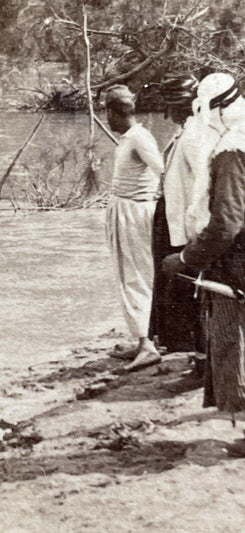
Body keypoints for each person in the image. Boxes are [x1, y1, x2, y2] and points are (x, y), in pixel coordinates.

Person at [162, 73, 245, 454]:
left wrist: (185, 257)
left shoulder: (231, 149)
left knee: (235, 346)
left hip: (237, 266)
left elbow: (226, 222)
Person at [104, 84, 164, 371]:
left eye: (108, 113)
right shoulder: (129, 138)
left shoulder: (140, 138)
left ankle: (147, 345)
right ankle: (142, 338)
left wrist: (151, 198)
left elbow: (163, 171)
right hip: (124, 210)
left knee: (137, 275)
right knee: (127, 274)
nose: (107, 120)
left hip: (135, 213)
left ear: (115, 113)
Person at [150, 73, 207, 355]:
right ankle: (174, 342)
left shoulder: (194, 134)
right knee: (170, 282)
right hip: (172, 216)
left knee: (183, 284)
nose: (167, 111)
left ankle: (187, 347)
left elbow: (203, 181)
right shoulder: (184, 131)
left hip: (185, 221)